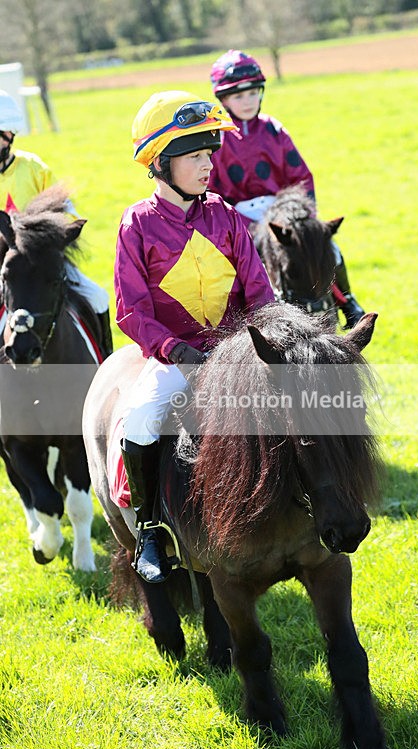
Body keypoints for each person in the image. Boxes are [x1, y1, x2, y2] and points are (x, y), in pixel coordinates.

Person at [115, 90, 276, 583]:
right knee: (141, 420)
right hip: (170, 358)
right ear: (161, 163)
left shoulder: (226, 215)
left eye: (210, 154)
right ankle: (149, 531)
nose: (208, 165)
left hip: (235, 354)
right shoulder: (136, 225)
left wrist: (265, 340)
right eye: (195, 156)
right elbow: (131, 310)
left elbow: (260, 294)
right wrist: (174, 349)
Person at [208, 49, 365, 329]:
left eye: (253, 93)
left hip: (282, 214)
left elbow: (301, 176)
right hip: (238, 220)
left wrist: (303, 220)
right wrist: (242, 223)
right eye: (238, 96)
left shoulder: (274, 130)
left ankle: (347, 301)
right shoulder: (217, 138)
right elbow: (212, 190)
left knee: (331, 248)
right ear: (223, 99)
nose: (247, 101)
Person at [0, 90, 113, 357]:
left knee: (98, 297)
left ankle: (106, 363)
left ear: (9, 135)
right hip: (6, 269)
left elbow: (67, 214)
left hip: (42, 261)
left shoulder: (33, 168)